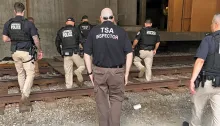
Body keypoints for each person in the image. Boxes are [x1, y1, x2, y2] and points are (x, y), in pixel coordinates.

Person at [84, 8, 133, 126]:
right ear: (113, 18)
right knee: (116, 99)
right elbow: (129, 53)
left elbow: (86, 54)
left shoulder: (94, 32)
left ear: (101, 18)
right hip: (117, 72)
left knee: (101, 102)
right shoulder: (121, 32)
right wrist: (126, 74)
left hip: (99, 71)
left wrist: (90, 73)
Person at [2, 2, 42, 112]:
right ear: (23, 12)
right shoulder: (28, 24)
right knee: (30, 73)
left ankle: (22, 91)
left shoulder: (8, 23)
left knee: (20, 73)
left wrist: (14, 40)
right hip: (26, 52)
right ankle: (24, 96)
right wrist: (40, 50)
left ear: (14, 11)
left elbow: (5, 39)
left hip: (15, 52)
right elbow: (36, 39)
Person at [182, 14, 220, 126]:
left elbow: (200, 61)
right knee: (218, 113)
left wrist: (192, 80)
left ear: (217, 24)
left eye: (212, 23)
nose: (210, 25)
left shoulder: (208, 39)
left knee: (197, 109)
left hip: (207, 83)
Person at [55, 17, 85, 88]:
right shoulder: (76, 30)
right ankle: (78, 71)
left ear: (66, 23)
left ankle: (69, 87)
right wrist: (84, 50)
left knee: (68, 72)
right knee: (82, 66)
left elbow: (57, 43)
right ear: (73, 23)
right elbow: (82, 41)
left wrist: (60, 52)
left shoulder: (61, 31)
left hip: (66, 54)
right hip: (75, 53)